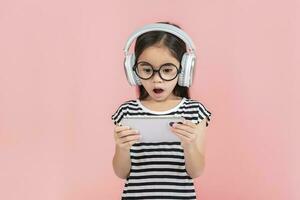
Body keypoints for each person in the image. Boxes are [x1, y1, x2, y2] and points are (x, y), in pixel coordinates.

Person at [111, 21, 212, 200]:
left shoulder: (195, 111)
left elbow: (196, 171)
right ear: (133, 70)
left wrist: (189, 145)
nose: (157, 80)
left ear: (184, 70)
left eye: (167, 70)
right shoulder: (126, 112)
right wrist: (122, 148)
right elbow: (121, 173)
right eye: (147, 69)